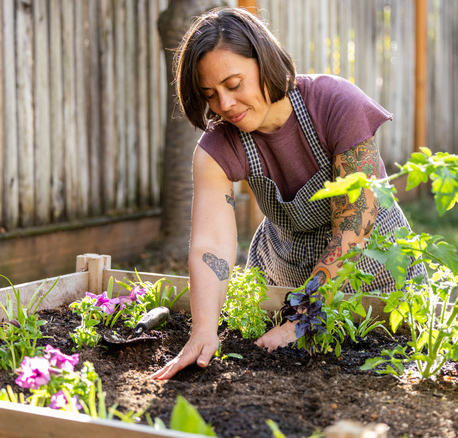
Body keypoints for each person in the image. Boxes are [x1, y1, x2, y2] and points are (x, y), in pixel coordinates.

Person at [150, 7, 425, 380]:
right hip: (283, 266)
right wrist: (203, 329)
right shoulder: (216, 148)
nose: (224, 105)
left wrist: (303, 318)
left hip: (374, 266)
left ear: (264, 62)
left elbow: (354, 224)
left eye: (234, 84)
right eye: (210, 94)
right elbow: (211, 244)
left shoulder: (335, 103)